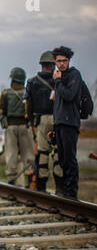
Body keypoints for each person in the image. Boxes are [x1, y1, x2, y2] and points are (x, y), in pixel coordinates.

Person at [24, 51, 63, 192]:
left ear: (42, 65)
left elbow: (28, 105)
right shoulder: (59, 81)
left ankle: (41, 186)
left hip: (40, 120)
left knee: (42, 153)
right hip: (58, 119)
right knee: (59, 152)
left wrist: (31, 121)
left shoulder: (32, 82)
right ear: (52, 65)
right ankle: (60, 187)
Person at [51, 46, 83, 199]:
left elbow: (69, 95)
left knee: (70, 159)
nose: (62, 64)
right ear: (55, 62)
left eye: (64, 61)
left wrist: (57, 81)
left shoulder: (74, 75)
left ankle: (71, 194)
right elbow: (56, 103)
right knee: (62, 160)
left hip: (70, 123)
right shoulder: (58, 76)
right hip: (60, 123)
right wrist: (54, 124)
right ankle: (65, 192)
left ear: (69, 60)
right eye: (59, 61)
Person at [0, 68, 34, 186]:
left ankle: (11, 178)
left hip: (11, 127)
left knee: (11, 153)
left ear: (12, 79)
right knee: (27, 153)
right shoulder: (28, 92)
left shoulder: (6, 93)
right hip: (25, 126)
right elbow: (31, 109)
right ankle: (29, 176)